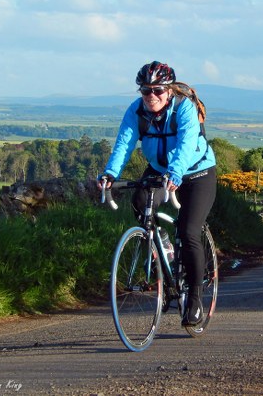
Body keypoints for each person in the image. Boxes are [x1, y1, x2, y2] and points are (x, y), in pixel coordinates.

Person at [98, 60, 216, 326]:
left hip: (197, 172)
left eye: (157, 91)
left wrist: (175, 173)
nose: (151, 96)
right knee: (140, 202)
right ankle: (161, 245)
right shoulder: (137, 111)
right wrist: (110, 174)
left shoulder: (184, 108)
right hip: (160, 169)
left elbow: (186, 144)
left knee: (189, 231)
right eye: (145, 91)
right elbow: (124, 144)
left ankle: (195, 298)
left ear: (169, 90)